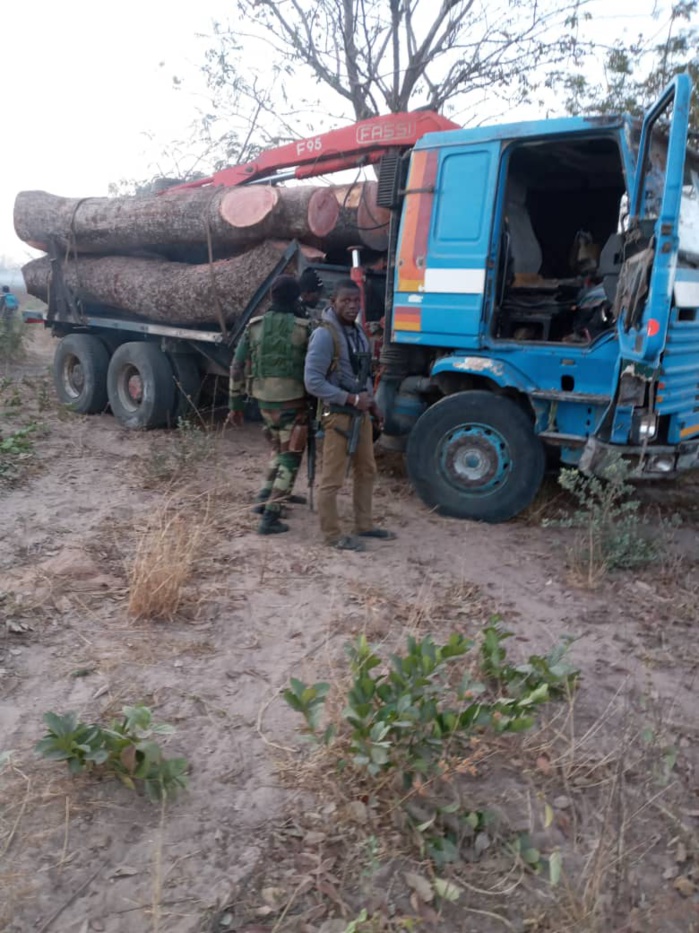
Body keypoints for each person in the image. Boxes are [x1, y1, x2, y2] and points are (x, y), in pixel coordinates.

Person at [304, 279, 395, 551]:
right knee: (332, 478)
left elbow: (363, 374)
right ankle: (332, 535)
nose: (352, 305)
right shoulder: (324, 335)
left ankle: (364, 525)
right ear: (333, 302)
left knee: (366, 470)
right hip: (339, 415)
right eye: (346, 300)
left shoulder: (358, 333)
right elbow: (313, 381)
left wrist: (373, 405)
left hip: (360, 416)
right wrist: (352, 399)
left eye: (356, 301)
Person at [228, 275, 310, 536]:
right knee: (291, 454)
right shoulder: (304, 327)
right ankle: (271, 515)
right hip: (292, 400)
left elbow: (236, 367)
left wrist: (235, 404)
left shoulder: (254, 326)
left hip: (263, 400)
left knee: (278, 447)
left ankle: (266, 495)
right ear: (296, 297)